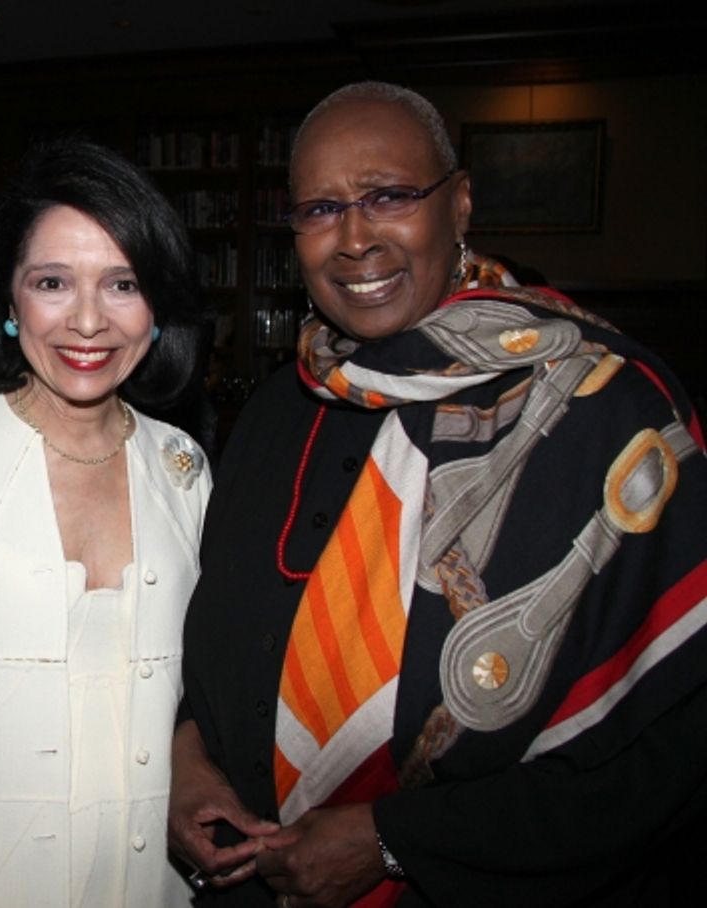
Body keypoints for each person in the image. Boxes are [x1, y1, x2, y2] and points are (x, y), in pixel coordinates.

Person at [170, 81, 707, 907]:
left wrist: (393, 843)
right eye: (319, 209)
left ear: (459, 205)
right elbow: (216, 639)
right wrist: (187, 758)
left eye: (387, 196)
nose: (352, 239)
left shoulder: (610, 410)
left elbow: (670, 744)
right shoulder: (280, 407)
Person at [0, 137, 212, 907]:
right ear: (8, 300)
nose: (88, 321)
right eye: (53, 282)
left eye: (123, 284)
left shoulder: (184, 470)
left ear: (159, 306)